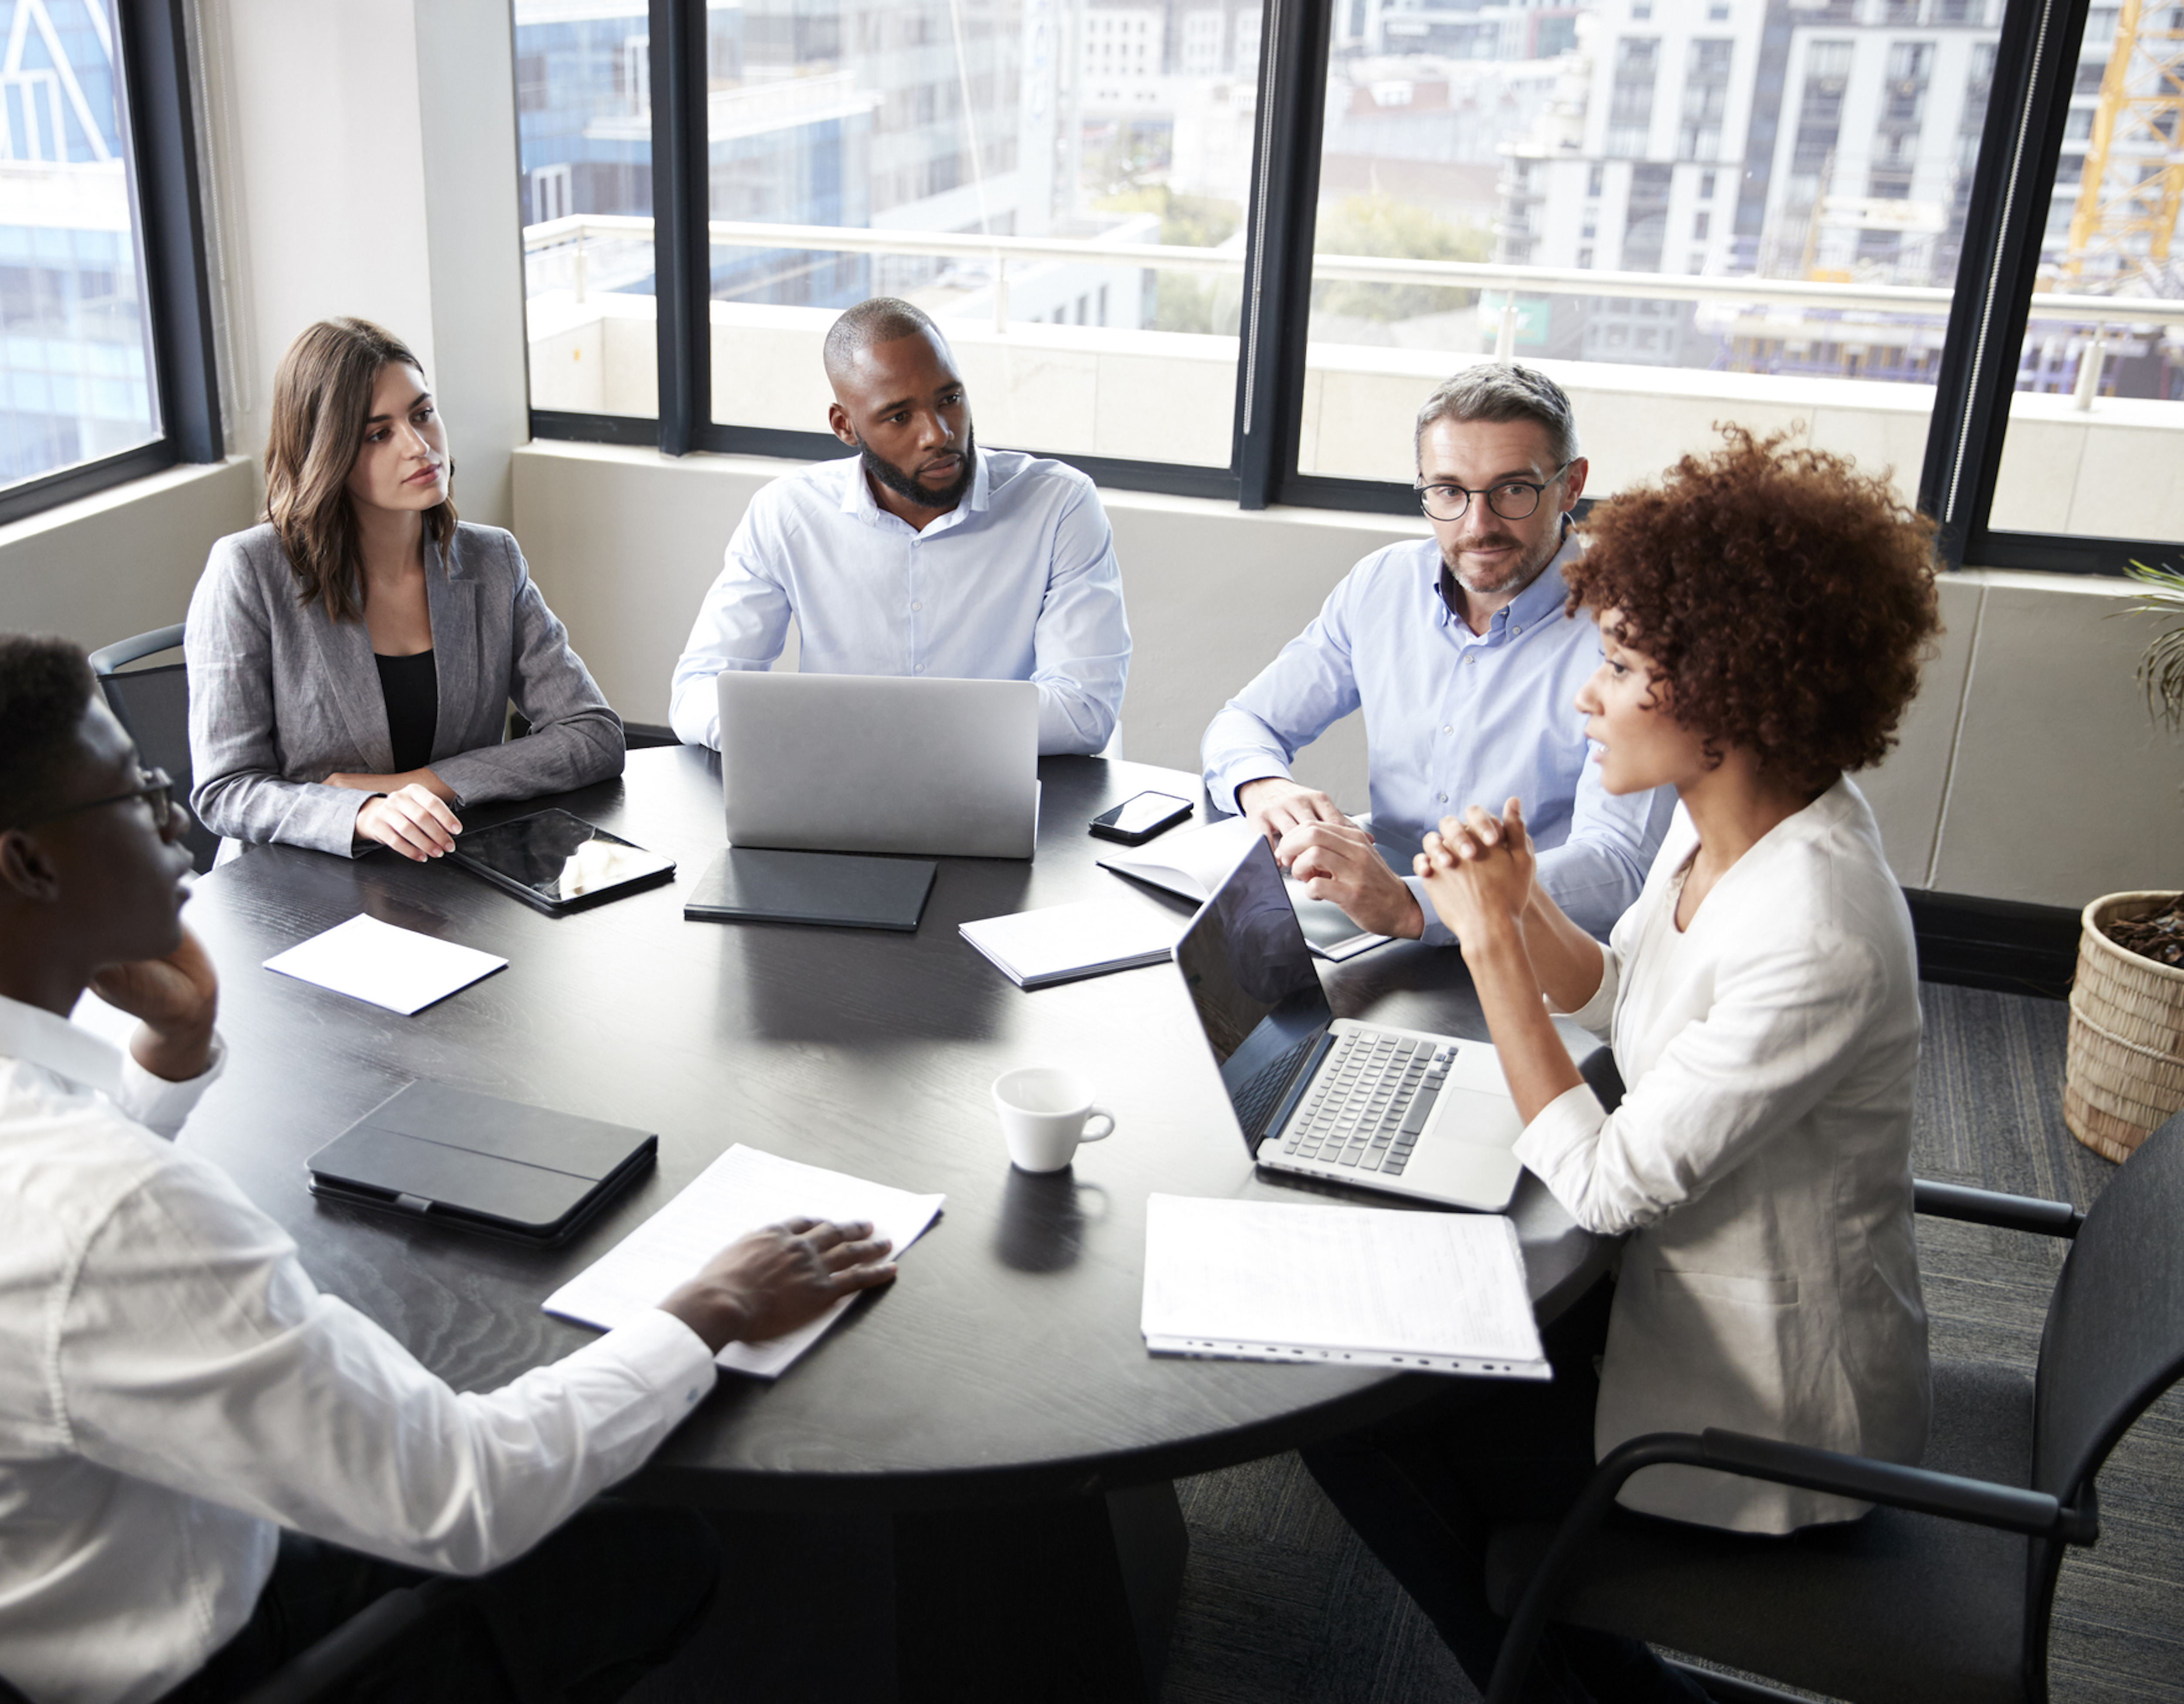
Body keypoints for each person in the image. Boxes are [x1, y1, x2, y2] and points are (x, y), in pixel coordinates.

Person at [0, 632, 900, 1704]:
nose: (174, 818)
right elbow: (470, 1498)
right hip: (177, 1663)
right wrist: (706, 1303)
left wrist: (175, 1056)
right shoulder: (115, 1216)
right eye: (135, 791)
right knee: (656, 1545)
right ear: (27, 866)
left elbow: (28, 1238)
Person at [1299, 428, 1944, 1703]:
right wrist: (1522, 901)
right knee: (1401, 1374)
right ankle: (1587, 1671)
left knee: (1358, 1425)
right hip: (1682, 1301)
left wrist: (1484, 945)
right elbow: (1617, 993)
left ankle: (1581, 1685)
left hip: (1762, 1411)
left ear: (1729, 691)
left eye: (1616, 665)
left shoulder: (1815, 931)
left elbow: (1598, 1187)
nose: (1582, 696)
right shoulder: (1739, 821)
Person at [1200, 362, 1673, 945]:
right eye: (1448, 491)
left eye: (1513, 491)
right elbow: (1245, 722)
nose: (1478, 526)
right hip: (1374, 932)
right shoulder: (1383, 584)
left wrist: (1412, 906)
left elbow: (1619, 867)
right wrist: (1266, 787)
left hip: (1541, 956)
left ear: (1571, 485)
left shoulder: (1633, 628)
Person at [190, 317, 624, 865]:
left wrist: (415, 784)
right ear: (326, 453)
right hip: (294, 884)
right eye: (378, 434)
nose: (419, 446)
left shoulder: (493, 561)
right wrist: (361, 813)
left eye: (422, 414)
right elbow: (225, 788)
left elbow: (593, 735)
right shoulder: (249, 571)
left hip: (446, 866)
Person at [667, 296, 1131, 754]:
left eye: (949, 399)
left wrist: (852, 730)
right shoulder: (787, 514)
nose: (939, 434)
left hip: (1017, 794)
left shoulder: (1060, 504)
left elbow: (1084, 710)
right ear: (845, 426)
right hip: (839, 794)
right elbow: (697, 693)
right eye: (899, 416)